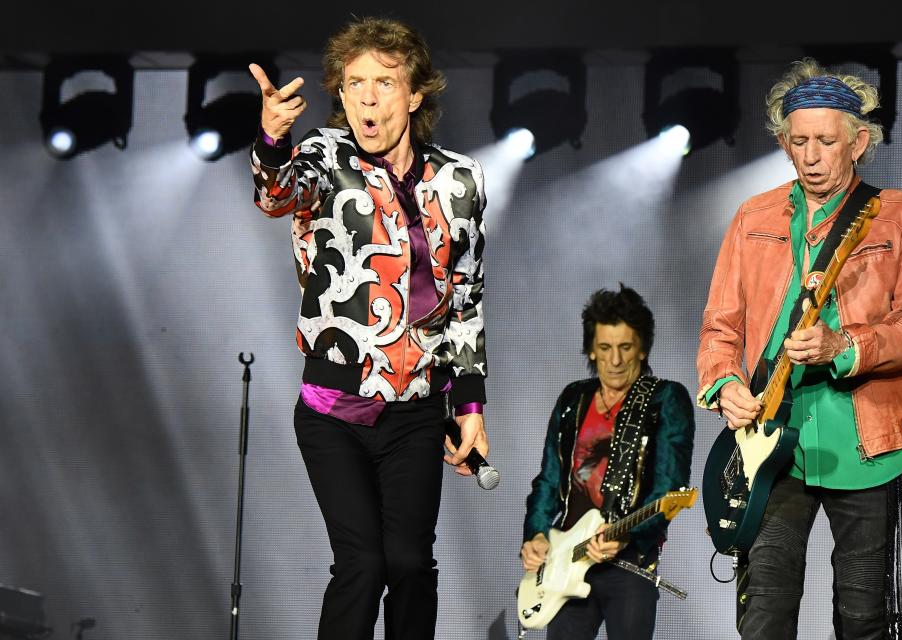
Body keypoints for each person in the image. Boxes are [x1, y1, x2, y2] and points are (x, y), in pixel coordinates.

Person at [246, 16, 489, 640]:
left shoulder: (461, 180)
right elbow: (277, 194)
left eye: (383, 82)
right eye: (354, 83)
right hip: (334, 409)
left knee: (409, 563)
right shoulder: (324, 159)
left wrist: (468, 405)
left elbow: (465, 298)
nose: (367, 97)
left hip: (414, 411)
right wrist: (273, 140)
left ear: (414, 94)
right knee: (363, 563)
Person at [697, 57, 902, 639]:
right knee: (764, 612)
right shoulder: (753, 216)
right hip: (770, 442)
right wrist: (724, 384)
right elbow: (719, 327)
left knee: (862, 616)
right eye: (797, 140)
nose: (809, 156)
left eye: (825, 141)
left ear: (859, 141)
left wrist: (844, 344)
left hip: (865, 441)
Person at [521, 285, 695, 640]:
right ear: (591, 350)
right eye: (605, 348)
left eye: (625, 348)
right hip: (566, 560)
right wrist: (537, 533)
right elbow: (549, 481)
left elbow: (669, 486)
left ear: (642, 349)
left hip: (629, 563)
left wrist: (628, 533)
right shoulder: (573, 398)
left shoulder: (666, 399)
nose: (615, 360)